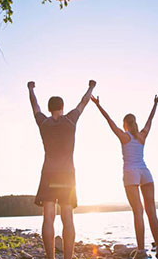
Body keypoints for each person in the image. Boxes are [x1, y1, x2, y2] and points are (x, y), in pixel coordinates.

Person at [28, 80, 96, 259]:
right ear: (62, 107)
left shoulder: (43, 123)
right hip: (67, 175)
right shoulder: (70, 120)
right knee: (68, 218)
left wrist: (31, 89)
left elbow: (34, 105)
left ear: (49, 109)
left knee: (48, 217)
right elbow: (83, 102)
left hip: (49, 173)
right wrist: (91, 87)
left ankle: (50, 257)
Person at [91, 92, 158, 259]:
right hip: (145, 172)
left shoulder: (124, 137)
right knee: (151, 211)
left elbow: (108, 120)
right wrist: (155, 103)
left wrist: (98, 104)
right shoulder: (142, 136)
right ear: (135, 123)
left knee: (138, 212)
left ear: (125, 124)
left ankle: (141, 251)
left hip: (131, 173)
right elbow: (150, 119)